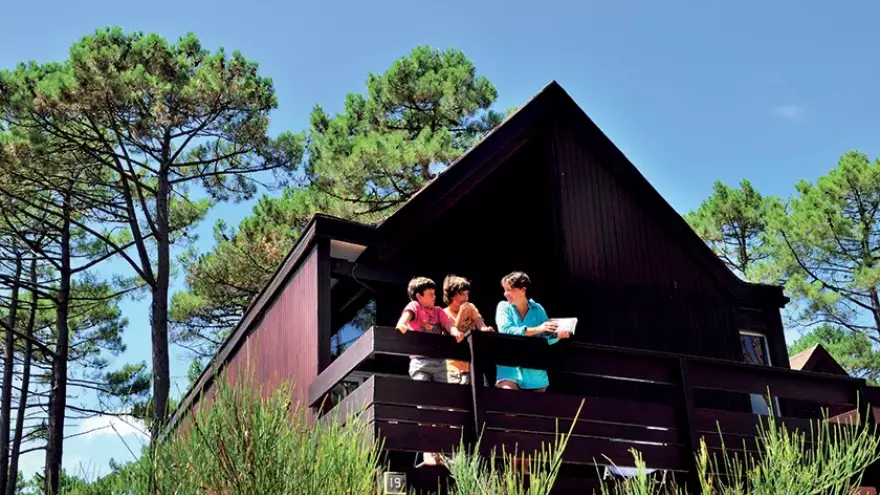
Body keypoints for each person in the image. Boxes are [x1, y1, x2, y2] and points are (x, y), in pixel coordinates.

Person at [395, 276, 464, 467]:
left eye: (434, 294)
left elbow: (448, 324)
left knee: (442, 405)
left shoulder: (438, 311)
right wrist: (402, 324)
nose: (434, 297)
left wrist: (455, 332)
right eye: (430, 294)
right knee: (425, 406)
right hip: (420, 362)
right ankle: (429, 453)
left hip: (439, 362)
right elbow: (406, 316)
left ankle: (443, 451)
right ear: (418, 296)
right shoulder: (415, 307)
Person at [494, 271, 571, 392]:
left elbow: (546, 336)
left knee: (535, 411)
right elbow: (506, 331)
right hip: (510, 370)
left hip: (535, 373)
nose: (505, 294)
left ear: (522, 290)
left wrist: (557, 335)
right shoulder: (503, 307)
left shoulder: (538, 309)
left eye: (508, 290)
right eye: (504, 290)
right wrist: (538, 329)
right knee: (511, 408)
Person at [442, 275, 494, 383]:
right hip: (454, 367)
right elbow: (453, 338)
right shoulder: (444, 313)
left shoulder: (471, 308)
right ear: (452, 296)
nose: (466, 297)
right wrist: (460, 315)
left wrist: (485, 329)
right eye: (462, 294)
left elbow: (480, 324)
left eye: (467, 293)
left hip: (473, 365)